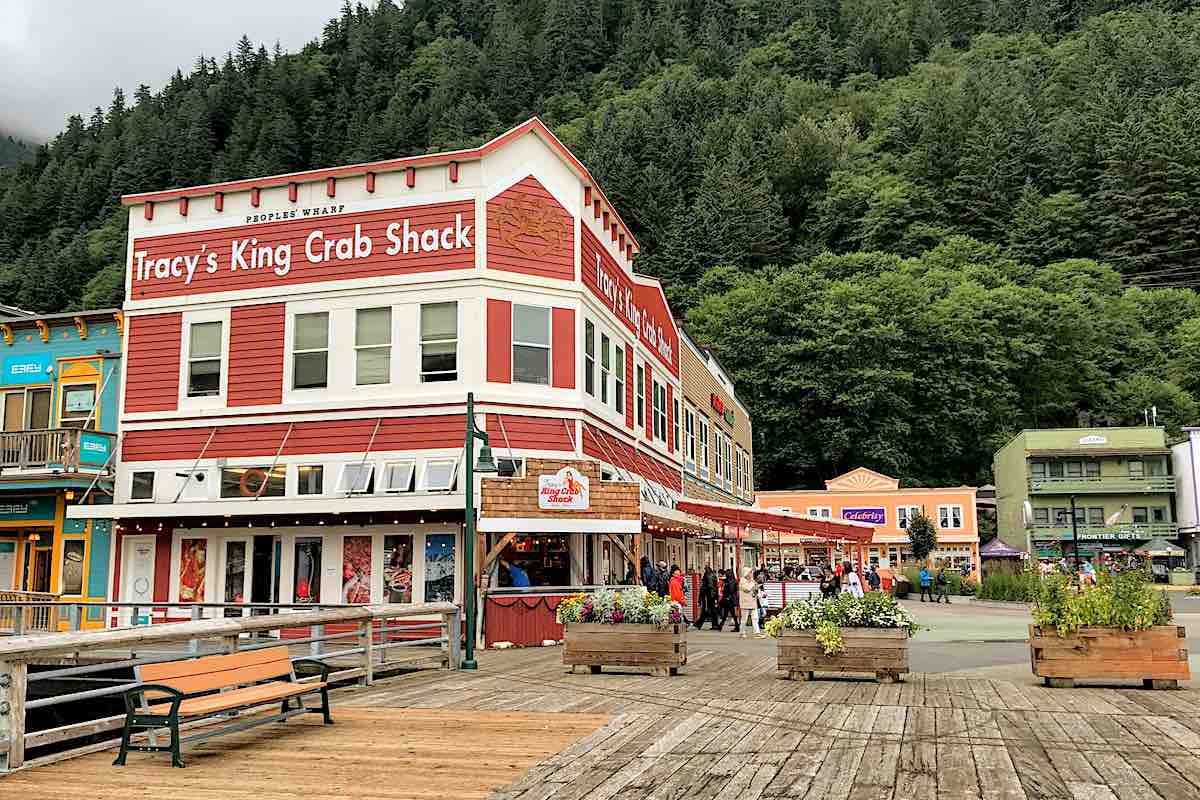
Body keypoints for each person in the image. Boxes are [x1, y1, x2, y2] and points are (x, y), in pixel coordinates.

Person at [738, 566, 763, 638]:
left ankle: (757, 632)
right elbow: (747, 589)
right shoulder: (743, 581)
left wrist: (757, 590)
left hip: (753, 602)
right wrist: (753, 584)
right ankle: (742, 632)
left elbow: (754, 590)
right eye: (750, 572)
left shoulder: (751, 580)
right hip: (745, 603)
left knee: (755, 618)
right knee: (744, 619)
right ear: (746, 574)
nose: (751, 574)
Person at [695, 565, 721, 630]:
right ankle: (714, 624)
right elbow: (715, 586)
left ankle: (699, 623)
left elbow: (708, 586)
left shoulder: (708, 576)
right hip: (712, 595)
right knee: (711, 610)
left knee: (707, 610)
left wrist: (702, 594)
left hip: (708, 595)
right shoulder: (713, 575)